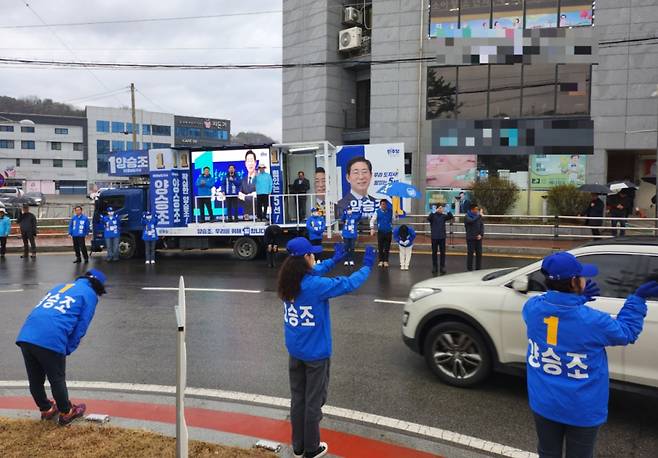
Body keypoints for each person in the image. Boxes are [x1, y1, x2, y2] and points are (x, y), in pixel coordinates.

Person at [522, 252, 656, 458]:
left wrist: (576, 299)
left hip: (544, 402)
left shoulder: (531, 308)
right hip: (581, 408)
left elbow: (556, 316)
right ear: (575, 282)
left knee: (547, 452)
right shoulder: (593, 321)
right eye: (582, 276)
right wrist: (637, 299)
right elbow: (627, 331)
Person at [278, 238, 375, 458]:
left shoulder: (288, 280)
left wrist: (334, 260)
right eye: (312, 254)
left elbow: (316, 270)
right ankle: (311, 449)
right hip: (316, 355)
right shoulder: (315, 286)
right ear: (305, 259)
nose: (315, 257)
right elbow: (348, 283)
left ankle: (298, 445)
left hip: (295, 352)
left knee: (298, 399)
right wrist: (367, 266)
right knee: (314, 402)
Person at [16, 269, 107, 426]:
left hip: (27, 334)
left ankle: (46, 409)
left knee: (35, 378)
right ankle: (66, 412)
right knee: (56, 378)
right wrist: (67, 347)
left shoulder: (60, 287)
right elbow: (81, 326)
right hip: (51, 337)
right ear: (98, 286)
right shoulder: (90, 295)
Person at [428, 203, 454, 275]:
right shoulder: (433, 216)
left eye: (442, 208)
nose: (441, 209)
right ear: (436, 209)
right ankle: (434, 267)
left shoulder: (443, 216)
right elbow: (429, 219)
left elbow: (451, 217)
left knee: (443, 253)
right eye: (439, 208)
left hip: (442, 237)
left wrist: (448, 211)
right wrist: (432, 212)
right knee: (434, 253)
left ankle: (442, 267)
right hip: (434, 237)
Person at [369, 199, 393, 268]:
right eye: (382, 204)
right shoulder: (377, 212)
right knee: (380, 247)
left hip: (388, 232)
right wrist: (372, 228)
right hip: (381, 232)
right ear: (380, 205)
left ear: (386, 205)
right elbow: (372, 220)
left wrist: (396, 215)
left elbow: (395, 219)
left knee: (387, 247)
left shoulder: (390, 211)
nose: (384, 205)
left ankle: (386, 261)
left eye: (385, 204)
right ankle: (380, 261)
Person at [239, 150, 258, 220]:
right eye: (248, 161)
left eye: (252, 160)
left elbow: (258, 194)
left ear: (255, 163)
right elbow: (239, 194)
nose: (250, 163)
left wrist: (245, 197)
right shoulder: (243, 179)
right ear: (245, 163)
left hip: (257, 212)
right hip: (246, 214)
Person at [464, 204, 484, 271]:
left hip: (478, 238)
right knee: (470, 254)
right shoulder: (467, 216)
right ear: (472, 210)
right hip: (470, 238)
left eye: (478, 209)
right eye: (476, 209)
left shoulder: (478, 216)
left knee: (479, 254)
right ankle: (469, 269)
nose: (477, 210)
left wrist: (481, 234)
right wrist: (479, 215)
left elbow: (482, 226)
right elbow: (471, 221)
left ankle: (478, 269)